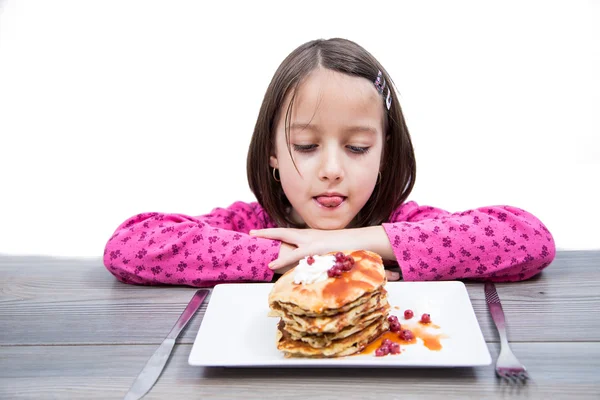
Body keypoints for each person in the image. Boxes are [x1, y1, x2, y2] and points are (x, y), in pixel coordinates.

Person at [103, 38, 555, 287]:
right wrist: (293, 253)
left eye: (357, 148)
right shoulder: (249, 224)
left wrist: (359, 242)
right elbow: (129, 246)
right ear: (272, 153)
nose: (332, 169)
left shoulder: (402, 223)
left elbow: (528, 238)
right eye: (305, 146)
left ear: (385, 151)